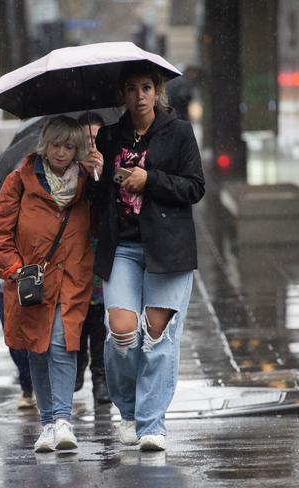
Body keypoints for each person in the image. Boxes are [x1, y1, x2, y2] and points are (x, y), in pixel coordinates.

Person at [91, 61, 205, 451]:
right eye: (130, 89)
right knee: (122, 331)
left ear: (157, 91)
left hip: (167, 247)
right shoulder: (108, 137)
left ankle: (152, 424)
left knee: (157, 336)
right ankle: (128, 411)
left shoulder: (178, 133)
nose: (138, 96)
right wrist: (95, 173)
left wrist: (149, 179)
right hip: (121, 246)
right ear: (122, 95)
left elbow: (194, 188)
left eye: (145, 88)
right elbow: (96, 199)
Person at [0, 115, 101, 453]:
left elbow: (103, 220)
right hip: (32, 282)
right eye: (56, 145)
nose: (62, 152)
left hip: (72, 278)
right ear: (44, 145)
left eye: (69, 146)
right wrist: (15, 270)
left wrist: (99, 173)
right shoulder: (20, 180)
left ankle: (63, 421)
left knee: (63, 344)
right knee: (37, 348)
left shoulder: (86, 181)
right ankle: (48, 422)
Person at [74, 111, 110, 405]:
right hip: (75, 249)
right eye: (87, 139)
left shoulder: (111, 164)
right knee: (79, 310)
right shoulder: (70, 169)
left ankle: (100, 375)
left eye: (98, 138)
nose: (93, 144)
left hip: (101, 246)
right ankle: (79, 362)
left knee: (98, 312)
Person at [0, 220, 35, 410]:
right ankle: (27, 385)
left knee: (40, 336)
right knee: (14, 339)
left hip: (38, 282)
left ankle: (36, 386)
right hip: (5, 285)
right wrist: (9, 266)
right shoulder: (5, 202)